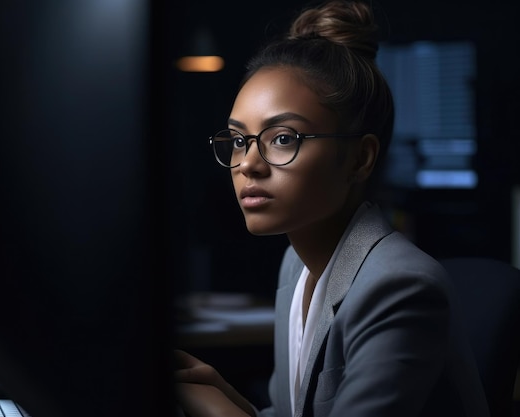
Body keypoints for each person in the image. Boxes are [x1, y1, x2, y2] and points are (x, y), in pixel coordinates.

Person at [174, 0, 490, 416]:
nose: (248, 163)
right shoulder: (296, 265)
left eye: (283, 138)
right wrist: (216, 387)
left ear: (360, 158)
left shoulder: (399, 288)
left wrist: (214, 407)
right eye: (238, 140)